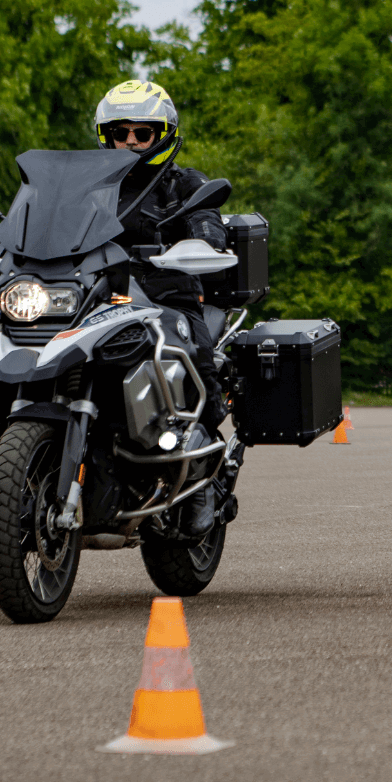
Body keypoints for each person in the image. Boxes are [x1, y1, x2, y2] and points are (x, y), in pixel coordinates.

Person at [96, 79, 229, 537]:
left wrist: (203, 240)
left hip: (165, 294)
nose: (131, 141)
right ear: (107, 136)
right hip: (98, 295)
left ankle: (204, 470)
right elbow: (46, 221)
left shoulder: (184, 182)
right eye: (121, 133)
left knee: (192, 350)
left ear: (163, 134)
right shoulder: (90, 186)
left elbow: (207, 221)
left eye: (142, 132)